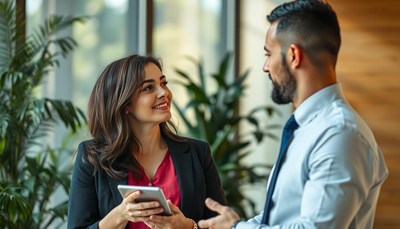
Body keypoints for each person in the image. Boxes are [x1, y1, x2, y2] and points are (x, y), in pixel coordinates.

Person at [198, 0, 389, 228]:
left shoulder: (339, 133)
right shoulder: (309, 128)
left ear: (293, 56)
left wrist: (237, 227)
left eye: (269, 54)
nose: (265, 67)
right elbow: (278, 218)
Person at [67, 54, 227, 229]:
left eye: (163, 83)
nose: (164, 93)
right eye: (149, 88)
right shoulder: (91, 156)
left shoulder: (198, 153)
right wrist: (119, 215)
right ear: (124, 103)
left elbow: (222, 224)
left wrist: (189, 227)